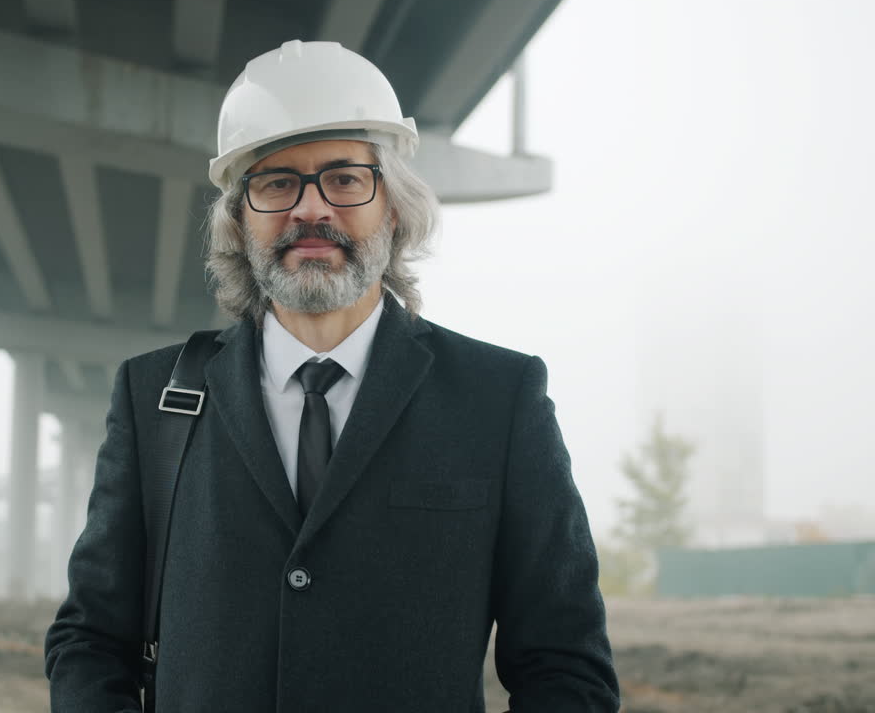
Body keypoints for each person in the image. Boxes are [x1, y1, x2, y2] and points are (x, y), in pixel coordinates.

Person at [45, 40, 619, 712]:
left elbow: (565, 664)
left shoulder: (499, 399)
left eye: (345, 179)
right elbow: (90, 640)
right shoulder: (155, 400)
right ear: (240, 219)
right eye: (276, 183)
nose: (310, 210)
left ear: (393, 208)